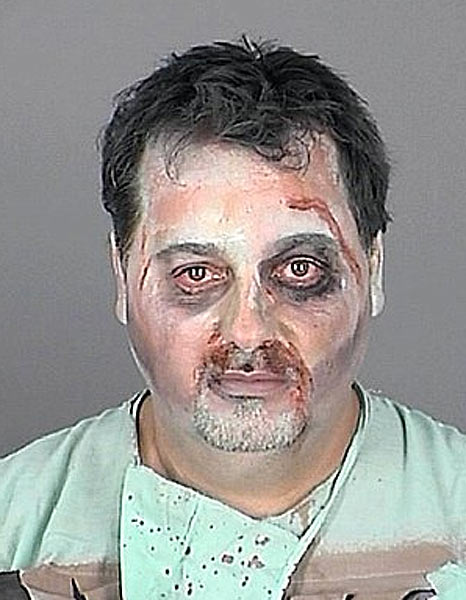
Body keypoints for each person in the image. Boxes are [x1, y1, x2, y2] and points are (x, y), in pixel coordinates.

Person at [0, 37, 465, 600]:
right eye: (196, 274)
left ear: (373, 269)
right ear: (123, 278)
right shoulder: (15, 528)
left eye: (298, 269)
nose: (248, 330)